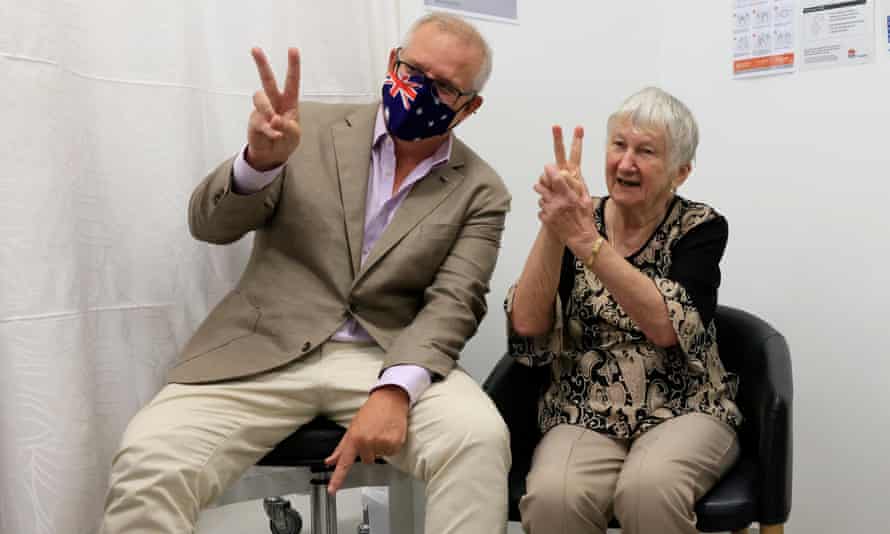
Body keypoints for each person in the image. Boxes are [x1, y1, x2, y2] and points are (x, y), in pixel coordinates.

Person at [100, 13, 511, 534]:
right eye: (414, 72)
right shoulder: (303, 129)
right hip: (264, 348)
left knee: (478, 438)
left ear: (470, 107)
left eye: (445, 87)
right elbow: (208, 226)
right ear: (393, 63)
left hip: (385, 354)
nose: (422, 91)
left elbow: (455, 302)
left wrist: (395, 390)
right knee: (151, 460)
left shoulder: (482, 190)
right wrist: (258, 164)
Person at [506, 87, 742, 534]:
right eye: (619, 145)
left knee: (648, 491)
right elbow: (528, 326)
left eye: (646, 151)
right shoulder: (577, 216)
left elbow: (667, 326)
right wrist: (555, 227)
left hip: (685, 405)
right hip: (582, 408)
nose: (626, 163)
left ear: (681, 172)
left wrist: (586, 242)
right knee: (554, 498)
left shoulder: (700, 227)